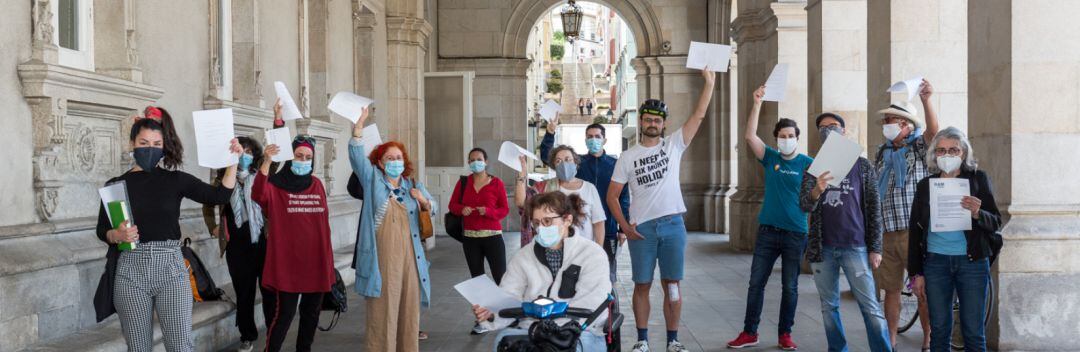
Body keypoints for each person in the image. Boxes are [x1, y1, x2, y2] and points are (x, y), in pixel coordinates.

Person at [96, 106, 241, 351]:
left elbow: (219, 195)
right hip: (131, 269)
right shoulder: (116, 186)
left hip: (170, 268)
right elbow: (102, 230)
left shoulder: (176, 180)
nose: (149, 148)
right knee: (138, 347)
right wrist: (117, 235)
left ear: (164, 146)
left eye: (156, 143)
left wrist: (232, 162)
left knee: (180, 345)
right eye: (143, 142)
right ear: (132, 143)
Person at [607, 67, 715, 352]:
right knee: (642, 284)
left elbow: (699, 116)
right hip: (642, 230)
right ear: (640, 122)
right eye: (647, 119)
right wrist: (625, 227)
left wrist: (710, 83)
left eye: (657, 120)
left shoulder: (673, 146)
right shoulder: (627, 157)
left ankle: (673, 341)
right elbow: (612, 196)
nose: (652, 123)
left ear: (664, 124)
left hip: (672, 226)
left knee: (673, 285)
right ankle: (642, 340)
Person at [726, 85, 813, 350]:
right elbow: (750, 135)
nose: (786, 139)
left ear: (797, 138)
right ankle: (749, 332)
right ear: (776, 139)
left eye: (790, 135)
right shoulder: (771, 157)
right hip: (768, 232)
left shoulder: (808, 163)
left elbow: (815, 197)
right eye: (782, 136)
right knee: (756, 283)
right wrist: (757, 103)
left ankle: (785, 334)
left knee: (790, 287)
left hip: (796, 234)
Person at [471, 192, 612, 352]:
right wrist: (491, 313)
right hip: (531, 329)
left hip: (581, 331)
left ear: (567, 219)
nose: (541, 228)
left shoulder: (592, 253)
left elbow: (591, 303)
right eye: (536, 223)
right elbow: (508, 297)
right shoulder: (523, 256)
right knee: (502, 342)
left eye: (547, 221)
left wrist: (553, 330)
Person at [799, 113, 892, 352]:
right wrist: (817, 191)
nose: (827, 130)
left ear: (844, 131)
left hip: (856, 245)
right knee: (829, 306)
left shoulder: (862, 166)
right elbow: (804, 205)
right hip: (824, 248)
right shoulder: (813, 167)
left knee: (870, 305)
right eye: (822, 127)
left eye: (833, 126)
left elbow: (874, 208)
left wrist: (876, 247)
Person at [349, 107, 434, 352]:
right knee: (382, 311)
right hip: (381, 256)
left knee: (409, 310)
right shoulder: (372, 179)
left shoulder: (412, 185)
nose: (395, 162)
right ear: (379, 162)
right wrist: (359, 127)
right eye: (389, 158)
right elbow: (356, 156)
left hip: (411, 255)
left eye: (398, 158)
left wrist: (424, 200)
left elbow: (433, 208)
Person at [908, 127, 1001, 352]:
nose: (947, 155)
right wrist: (915, 273)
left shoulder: (978, 179)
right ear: (933, 155)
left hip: (972, 262)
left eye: (953, 150)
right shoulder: (925, 185)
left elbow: (996, 222)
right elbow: (915, 232)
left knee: (973, 331)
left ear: (963, 153)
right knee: (939, 330)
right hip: (936, 262)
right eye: (941, 150)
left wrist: (978, 214)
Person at [253, 134, 335, 352]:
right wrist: (267, 161)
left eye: (308, 157)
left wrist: (328, 264)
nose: (303, 160)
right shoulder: (276, 186)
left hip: (316, 262)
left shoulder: (317, 184)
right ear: (291, 158)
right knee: (284, 316)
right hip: (287, 264)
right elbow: (258, 194)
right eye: (299, 155)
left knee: (311, 315)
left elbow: (324, 227)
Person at [874, 79, 939, 351]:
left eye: (892, 120)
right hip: (886, 231)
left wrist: (926, 101)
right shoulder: (882, 153)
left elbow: (934, 133)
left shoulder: (918, 147)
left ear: (906, 125)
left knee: (920, 290)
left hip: (914, 232)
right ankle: (890, 337)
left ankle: (928, 337)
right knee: (890, 290)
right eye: (885, 120)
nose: (886, 125)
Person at [539, 117, 630, 283]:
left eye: (597, 136)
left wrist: (623, 227)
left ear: (604, 140)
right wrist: (550, 133)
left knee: (606, 275)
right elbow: (548, 157)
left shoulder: (615, 164)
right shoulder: (577, 163)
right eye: (589, 136)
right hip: (579, 230)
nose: (593, 139)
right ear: (585, 140)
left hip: (607, 228)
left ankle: (608, 306)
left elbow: (623, 197)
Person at [201, 136, 266, 352]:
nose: (244, 155)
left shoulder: (261, 177)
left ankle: (273, 334)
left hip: (262, 241)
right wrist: (213, 227)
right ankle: (247, 336)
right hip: (236, 245)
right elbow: (207, 206)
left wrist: (278, 122)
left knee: (269, 290)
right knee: (244, 292)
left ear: (254, 155)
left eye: (249, 151)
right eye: (241, 151)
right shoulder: (223, 181)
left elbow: (277, 162)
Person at [448, 147, 510, 334]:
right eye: (472, 159)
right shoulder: (464, 182)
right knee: (477, 281)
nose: (476, 162)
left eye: (479, 159)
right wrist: (462, 209)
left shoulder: (496, 183)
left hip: (493, 237)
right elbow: (452, 205)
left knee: (502, 278)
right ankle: (482, 321)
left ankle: (506, 316)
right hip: (471, 239)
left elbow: (504, 209)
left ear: (486, 161)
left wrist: (489, 212)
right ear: (469, 163)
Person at [515, 145, 606, 245]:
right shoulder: (545, 187)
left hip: (583, 249)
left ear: (575, 163)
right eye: (558, 161)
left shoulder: (589, 188)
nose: (564, 164)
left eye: (568, 159)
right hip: (554, 248)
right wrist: (522, 175)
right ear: (554, 166)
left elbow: (598, 223)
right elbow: (521, 202)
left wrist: (599, 250)